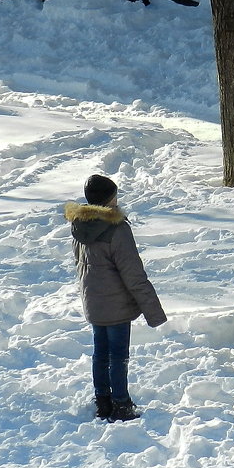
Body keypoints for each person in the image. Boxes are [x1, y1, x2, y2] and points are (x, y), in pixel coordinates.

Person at [65, 174, 167, 422]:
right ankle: (121, 404)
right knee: (118, 356)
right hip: (116, 305)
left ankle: (103, 401)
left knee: (100, 354)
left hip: (94, 302)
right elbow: (133, 274)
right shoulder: (117, 230)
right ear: (109, 199)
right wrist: (155, 313)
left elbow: (82, 265)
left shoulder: (80, 225)